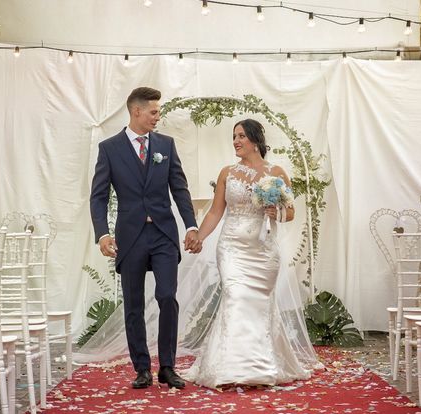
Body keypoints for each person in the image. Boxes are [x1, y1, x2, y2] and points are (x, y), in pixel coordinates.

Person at [182, 119, 314, 388]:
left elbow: (290, 212)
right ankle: (233, 368)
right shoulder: (226, 173)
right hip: (231, 247)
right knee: (236, 297)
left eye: (241, 136)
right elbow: (217, 211)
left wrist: (274, 211)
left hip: (264, 251)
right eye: (234, 137)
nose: (236, 141)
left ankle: (261, 364)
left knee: (258, 305)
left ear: (255, 139)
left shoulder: (277, 173)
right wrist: (199, 235)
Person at [90, 86, 201, 390]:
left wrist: (191, 225)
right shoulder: (109, 149)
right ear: (136, 111)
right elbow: (98, 197)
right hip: (131, 236)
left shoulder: (166, 144)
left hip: (164, 233)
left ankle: (167, 367)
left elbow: (179, 189)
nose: (158, 116)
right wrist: (102, 233)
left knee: (167, 296)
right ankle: (142, 369)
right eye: (153, 111)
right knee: (134, 305)